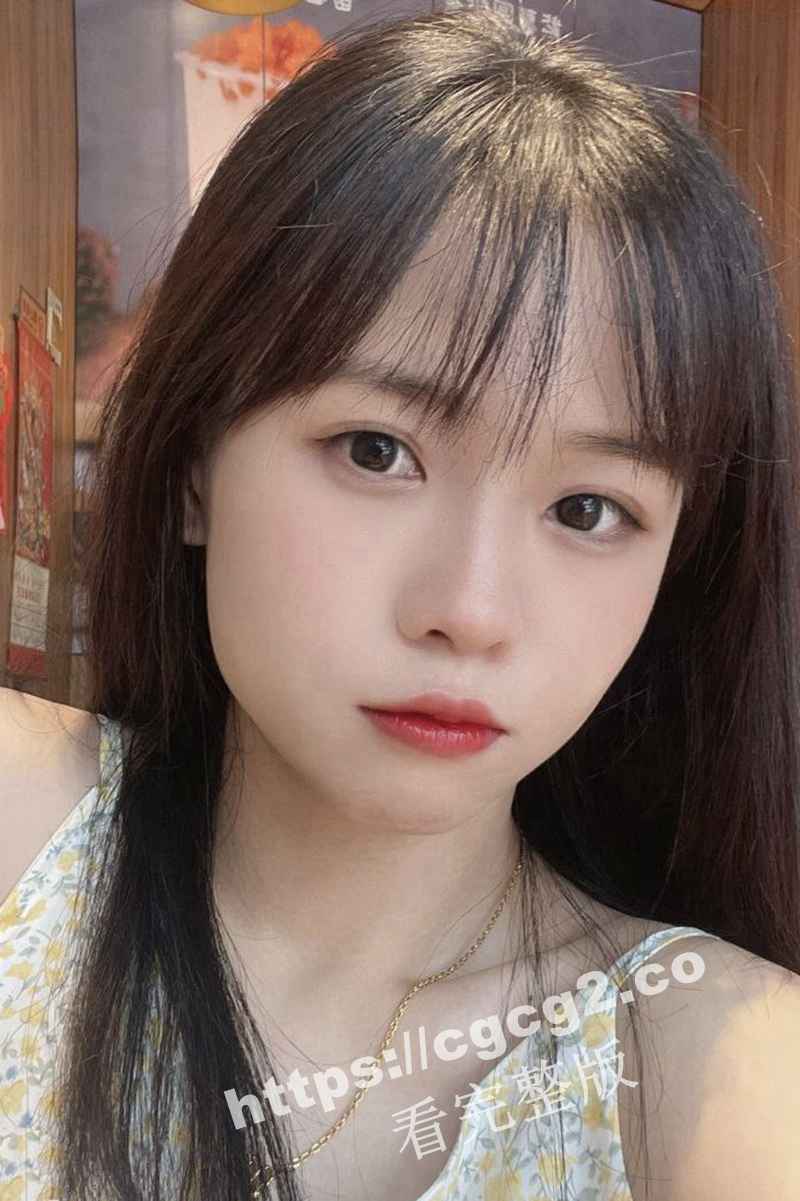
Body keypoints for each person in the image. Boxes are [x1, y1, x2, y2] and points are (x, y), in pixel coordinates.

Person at [1, 8, 799, 1200]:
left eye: (587, 509)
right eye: (375, 450)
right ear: (193, 468)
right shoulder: (27, 836)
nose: (468, 610)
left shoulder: (706, 1064)